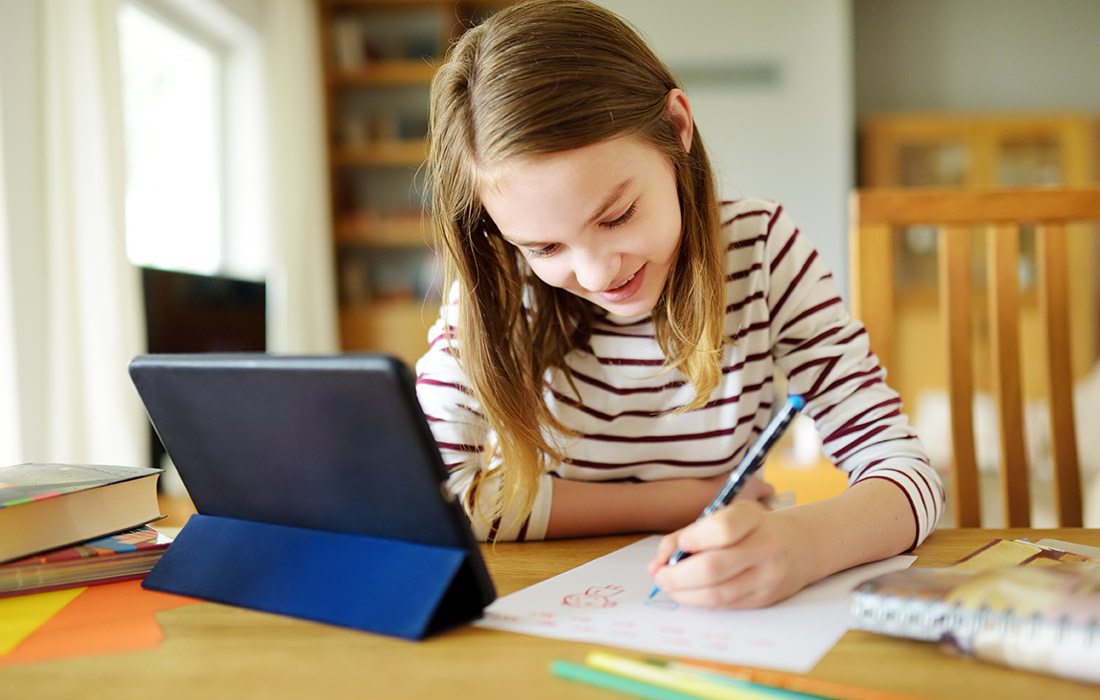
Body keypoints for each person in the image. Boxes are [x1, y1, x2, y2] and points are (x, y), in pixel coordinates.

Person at [416, 0, 943, 609]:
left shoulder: (762, 250)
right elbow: (440, 499)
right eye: (545, 246)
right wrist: (692, 497)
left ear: (677, 127)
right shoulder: (498, 287)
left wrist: (802, 545)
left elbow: (907, 472)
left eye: (617, 216)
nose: (594, 272)